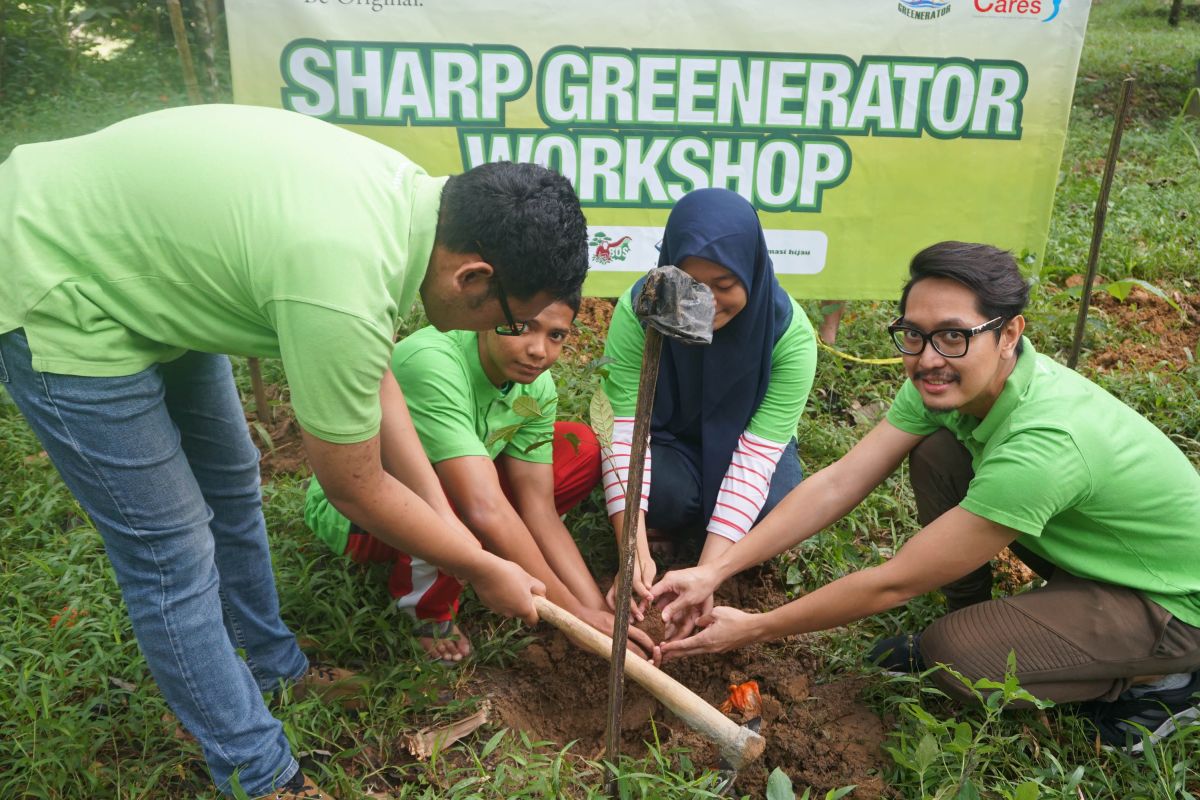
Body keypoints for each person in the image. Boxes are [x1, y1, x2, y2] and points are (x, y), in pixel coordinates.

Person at [0, 104, 588, 800]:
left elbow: (377, 386)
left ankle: (272, 665)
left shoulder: (412, 213)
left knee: (231, 483)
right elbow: (355, 486)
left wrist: (453, 535)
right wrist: (480, 566)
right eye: (513, 319)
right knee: (171, 553)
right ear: (473, 277)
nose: (510, 334)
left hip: (148, 263)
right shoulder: (341, 273)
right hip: (57, 273)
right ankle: (259, 772)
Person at [650, 242, 1200, 752]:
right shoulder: (956, 383)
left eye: (954, 335)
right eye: (914, 335)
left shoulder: (1044, 444)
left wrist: (756, 626)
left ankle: (1167, 681)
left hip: (1173, 600)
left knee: (957, 657)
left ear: (1009, 334)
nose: (929, 357)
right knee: (940, 451)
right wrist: (715, 572)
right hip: (1103, 555)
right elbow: (842, 480)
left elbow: (896, 581)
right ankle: (988, 616)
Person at [304, 297, 654, 662]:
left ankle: (499, 556)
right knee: (457, 494)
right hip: (360, 514)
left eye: (556, 335)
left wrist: (596, 611)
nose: (538, 350)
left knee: (579, 448)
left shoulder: (536, 386)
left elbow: (541, 511)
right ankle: (426, 611)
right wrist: (574, 619)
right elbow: (481, 505)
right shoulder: (432, 363)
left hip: (465, 487)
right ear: (488, 315)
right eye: (521, 327)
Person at [599, 188, 817, 627]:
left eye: (724, 286)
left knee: (775, 506)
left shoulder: (789, 337)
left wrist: (709, 572)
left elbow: (757, 458)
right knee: (665, 494)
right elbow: (624, 434)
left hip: (745, 442)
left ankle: (707, 535)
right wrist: (633, 553)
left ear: (752, 273)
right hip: (668, 436)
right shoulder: (640, 310)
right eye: (692, 286)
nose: (708, 303)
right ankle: (665, 524)